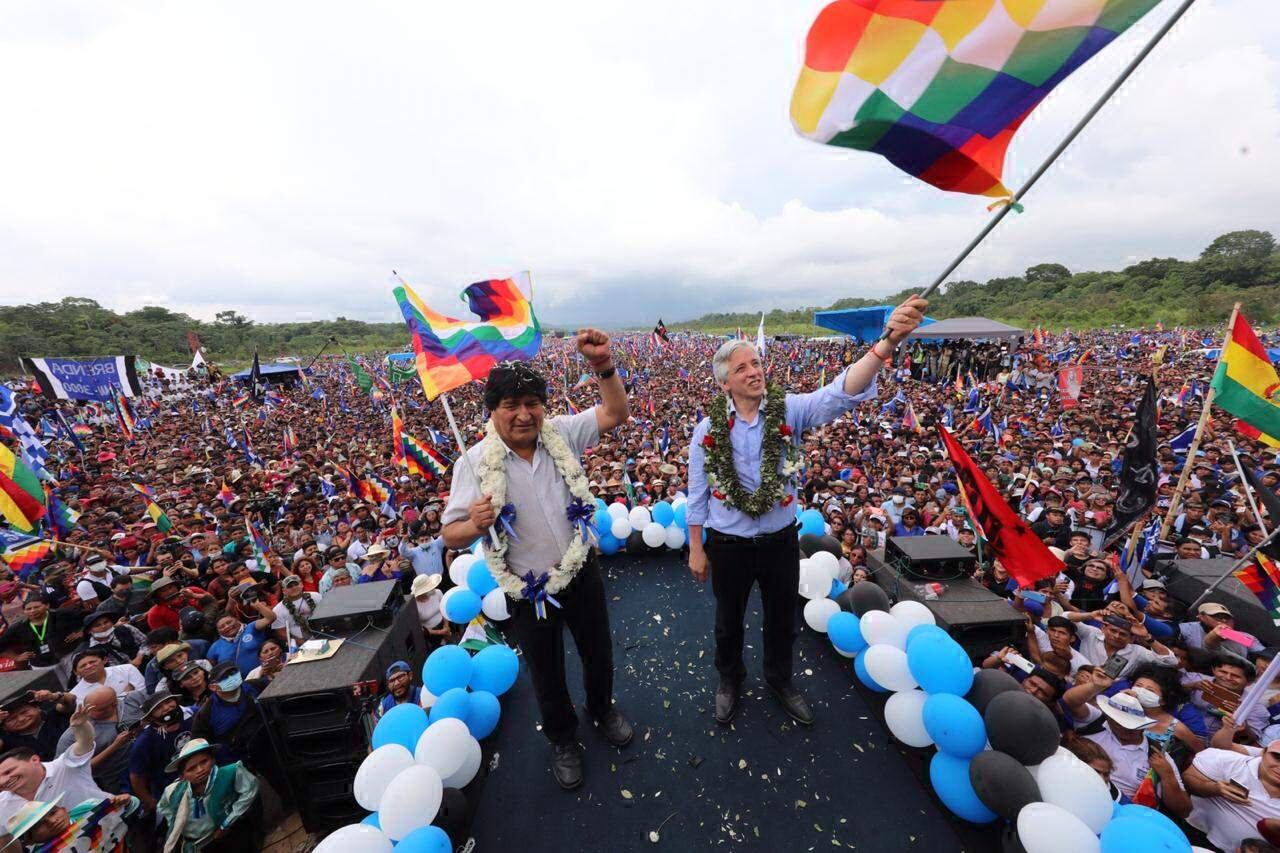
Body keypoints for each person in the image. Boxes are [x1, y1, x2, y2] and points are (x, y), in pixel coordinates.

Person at [686, 296, 928, 727]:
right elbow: (697, 492)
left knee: (782, 620)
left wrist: (886, 343)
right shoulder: (707, 430)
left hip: (779, 540)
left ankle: (781, 680)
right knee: (728, 621)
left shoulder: (790, 410)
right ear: (725, 383)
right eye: (742, 368)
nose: (754, 371)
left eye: (756, 363)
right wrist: (696, 548)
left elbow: (840, 392)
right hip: (728, 545)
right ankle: (730, 680)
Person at [442, 333, 633, 792]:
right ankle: (563, 739)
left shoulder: (561, 434)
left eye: (533, 402)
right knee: (545, 671)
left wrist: (604, 366)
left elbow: (615, 413)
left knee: (598, 653)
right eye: (511, 404)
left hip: (580, 570)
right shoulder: (473, 464)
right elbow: (450, 532)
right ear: (492, 410)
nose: (524, 414)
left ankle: (602, 708)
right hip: (527, 589)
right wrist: (474, 521)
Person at [0, 702, 110, 828]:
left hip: (107, 822)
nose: (20, 719)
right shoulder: (3, 804)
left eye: (9, 772)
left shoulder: (63, 766)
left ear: (35, 760)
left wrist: (81, 726)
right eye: (12, 719)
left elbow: (84, 743)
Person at [1083, 692, 1190, 818]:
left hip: (1124, 818)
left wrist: (1168, 776)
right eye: (1119, 722)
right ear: (1109, 717)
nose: (1125, 728)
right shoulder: (1091, 732)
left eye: (1131, 725)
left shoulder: (1159, 757)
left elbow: (1184, 810)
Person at [157, 738, 260, 852]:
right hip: (198, 845)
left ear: (213, 759)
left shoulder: (230, 773)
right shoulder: (173, 792)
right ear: (182, 776)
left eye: (204, 762)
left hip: (230, 834)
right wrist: (176, 823)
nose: (200, 769)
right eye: (191, 769)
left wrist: (227, 822)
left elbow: (250, 789)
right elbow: (163, 807)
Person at [1185, 740, 1280, 852]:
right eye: (1277, 757)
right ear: (1263, 753)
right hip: (1193, 834)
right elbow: (1187, 780)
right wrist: (1213, 788)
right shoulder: (1227, 761)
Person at [54, 685, 141, 794]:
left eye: (96, 710)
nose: (90, 713)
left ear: (114, 704)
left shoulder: (131, 701)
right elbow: (70, 771)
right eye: (88, 708)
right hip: (118, 780)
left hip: (148, 759)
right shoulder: (72, 735)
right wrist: (114, 746)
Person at [128, 692, 195, 819]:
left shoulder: (192, 715)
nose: (166, 708)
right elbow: (136, 777)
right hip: (173, 792)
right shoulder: (145, 742)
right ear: (151, 717)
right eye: (158, 708)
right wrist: (150, 801)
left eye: (168, 702)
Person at [207, 603, 274, 678]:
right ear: (218, 631)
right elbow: (212, 669)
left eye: (229, 622)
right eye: (222, 627)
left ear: (237, 620)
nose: (227, 627)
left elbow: (271, 618)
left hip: (268, 673)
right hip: (243, 685)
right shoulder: (215, 647)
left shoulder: (252, 627)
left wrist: (257, 605)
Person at [67, 649, 145, 704]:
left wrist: (107, 704)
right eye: (83, 666)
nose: (89, 666)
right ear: (76, 672)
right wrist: (126, 693)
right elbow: (94, 715)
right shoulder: (74, 694)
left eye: (92, 662)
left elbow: (143, 692)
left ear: (104, 660)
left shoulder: (127, 669)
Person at [270, 574, 318, 647]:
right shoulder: (277, 609)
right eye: (290, 586)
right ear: (284, 591)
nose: (294, 587)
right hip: (300, 643)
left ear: (301, 585)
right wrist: (304, 644)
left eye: (296, 584)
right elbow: (282, 633)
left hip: (321, 632)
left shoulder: (315, 596)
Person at [410, 573, 449, 649]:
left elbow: (444, 609)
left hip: (443, 625)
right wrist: (440, 632)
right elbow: (419, 627)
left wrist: (446, 627)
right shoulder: (414, 606)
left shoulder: (437, 592)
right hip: (430, 635)